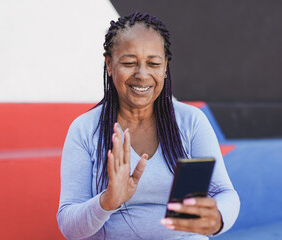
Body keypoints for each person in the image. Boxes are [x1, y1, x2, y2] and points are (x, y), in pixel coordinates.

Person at [57, 12, 240, 240]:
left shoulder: (191, 121)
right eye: (129, 63)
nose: (142, 74)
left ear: (165, 67)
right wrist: (108, 201)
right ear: (109, 64)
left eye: (153, 63)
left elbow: (224, 193)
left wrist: (218, 218)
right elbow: (68, 226)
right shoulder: (84, 130)